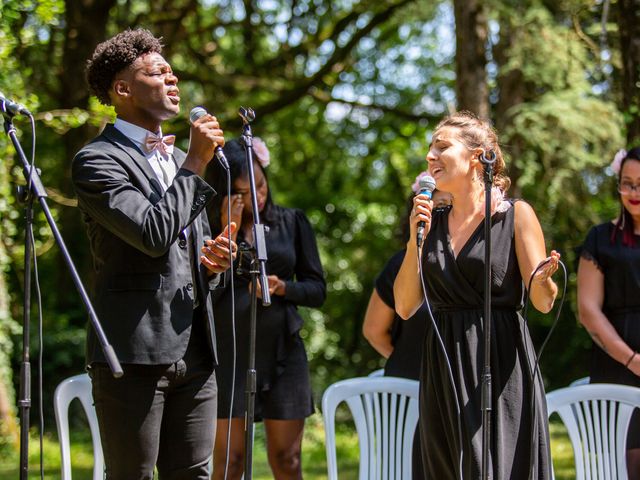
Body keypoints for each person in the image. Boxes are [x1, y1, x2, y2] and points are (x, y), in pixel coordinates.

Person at [72, 28, 236, 479]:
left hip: (197, 349)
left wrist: (213, 263)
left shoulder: (181, 157)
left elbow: (186, 251)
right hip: (134, 353)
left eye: (172, 71)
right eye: (156, 71)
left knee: (195, 474)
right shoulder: (97, 160)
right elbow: (151, 232)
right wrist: (196, 163)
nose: (172, 79)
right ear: (122, 89)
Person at [393, 111, 560, 479]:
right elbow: (405, 307)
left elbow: (544, 301)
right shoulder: (429, 223)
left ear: (475, 157)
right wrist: (413, 239)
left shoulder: (516, 216)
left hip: (499, 360)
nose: (429, 156)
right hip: (443, 364)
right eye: (429, 149)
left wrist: (543, 279)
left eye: (441, 147)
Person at [206, 138, 326, 479]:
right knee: (231, 462)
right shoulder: (209, 229)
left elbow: (317, 290)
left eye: (260, 185)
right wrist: (226, 233)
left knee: (286, 459)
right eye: (243, 192)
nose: (257, 196)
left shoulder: (292, 222)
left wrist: (283, 287)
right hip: (228, 357)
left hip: (283, 352)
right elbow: (197, 292)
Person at [362, 173, 451, 479]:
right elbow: (374, 330)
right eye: (436, 206)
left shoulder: (470, 263)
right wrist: (408, 363)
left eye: (449, 206)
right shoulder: (400, 265)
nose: (442, 215)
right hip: (407, 390)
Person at [577, 147, 640, 478]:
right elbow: (588, 311)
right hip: (617, 365)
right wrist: (633, 360)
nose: (634, 193)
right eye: (627, 183)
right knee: (624, 466)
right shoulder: (600, 238)